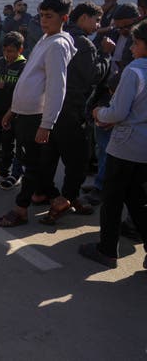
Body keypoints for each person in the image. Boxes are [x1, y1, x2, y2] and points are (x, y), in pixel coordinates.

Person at [0, 0, 76, 227]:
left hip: (37, 118)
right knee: (34, 162)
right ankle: (58, 199)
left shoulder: (58, 45)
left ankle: (20, 209)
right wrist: (13, 110)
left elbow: (56, 88)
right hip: (25, 114)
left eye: (49, 16)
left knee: (31, 164)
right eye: (41, 15)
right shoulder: (45, 40)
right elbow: (28, 80)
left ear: (64, 18)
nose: (43, 20)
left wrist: (46, 124)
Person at [35, 1, 115, 224]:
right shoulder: (83, 44)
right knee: (78, 160)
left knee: (50, 153)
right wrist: (106, 55)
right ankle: (65, 199)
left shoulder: (54, 39)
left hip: (50, 108)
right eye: (96, 20)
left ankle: (42, 192)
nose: (98, 25)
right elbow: (93, 76)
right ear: (82, 18)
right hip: (72, 110)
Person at [79, 20, 147, 269]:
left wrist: (99, 113)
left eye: (136, 43)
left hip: (126, 146)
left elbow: (117, 112)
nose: (131, 48)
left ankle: (107, 250)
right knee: (137, 198)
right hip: (143, 149)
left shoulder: (135, 71)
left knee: (113, 198)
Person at [84, 3, 140, 206]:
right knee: (102, 144)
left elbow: (127, 71)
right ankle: (101, 181)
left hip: (124, 98)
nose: (122, 30)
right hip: (104, 94)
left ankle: (103, 188)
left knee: (111, 145)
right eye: (118, 26)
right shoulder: (112, 36)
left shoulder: (139, 41)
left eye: (126, 26)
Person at [0, 31, 26, 188]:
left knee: (7, 144)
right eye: (5, 50)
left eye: (11, 51)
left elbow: (23, 90)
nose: (7, 54)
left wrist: (6, 85)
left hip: (12, 113)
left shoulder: (24, 66)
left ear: (20, 50)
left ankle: (4, 174)